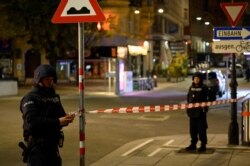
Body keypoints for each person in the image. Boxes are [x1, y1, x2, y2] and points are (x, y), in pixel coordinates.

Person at [19, 64, 75, 166]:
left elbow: (60, 118)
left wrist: (66, 118)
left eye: (52, 79)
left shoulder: (54, 97)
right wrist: (58, 121)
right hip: (38, 149)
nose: (50, 82)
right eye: (47, 79)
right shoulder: (30, 98)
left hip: (53, 148)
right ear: (39, 80)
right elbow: (33, 123)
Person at [185, 72, 210, 152]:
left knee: (201, 129)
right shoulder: (191, 88)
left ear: (200, 79)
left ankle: (203, 145)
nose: (196, 80)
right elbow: (188, 98)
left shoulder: (204, 88)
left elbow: (209, 98)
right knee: (193, 129)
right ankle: (193, 144)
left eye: (198, 78)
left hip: (201, 113)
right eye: (195, 78)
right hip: (192, 113)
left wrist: (205, 107)